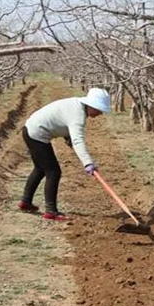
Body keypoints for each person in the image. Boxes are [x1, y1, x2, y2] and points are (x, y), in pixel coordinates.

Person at [18, 87, 111, 221]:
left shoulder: (76, 105)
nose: (100, 113)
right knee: (53, 172)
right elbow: (77, 140)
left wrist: (68, 138)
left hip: (31, 129)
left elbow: (62, 121)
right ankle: (51, 212)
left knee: (40, 169)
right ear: (90, 105)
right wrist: (88, 163)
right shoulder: (77, 116)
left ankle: (25, 202)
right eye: (99, 109)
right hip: (37, 134)